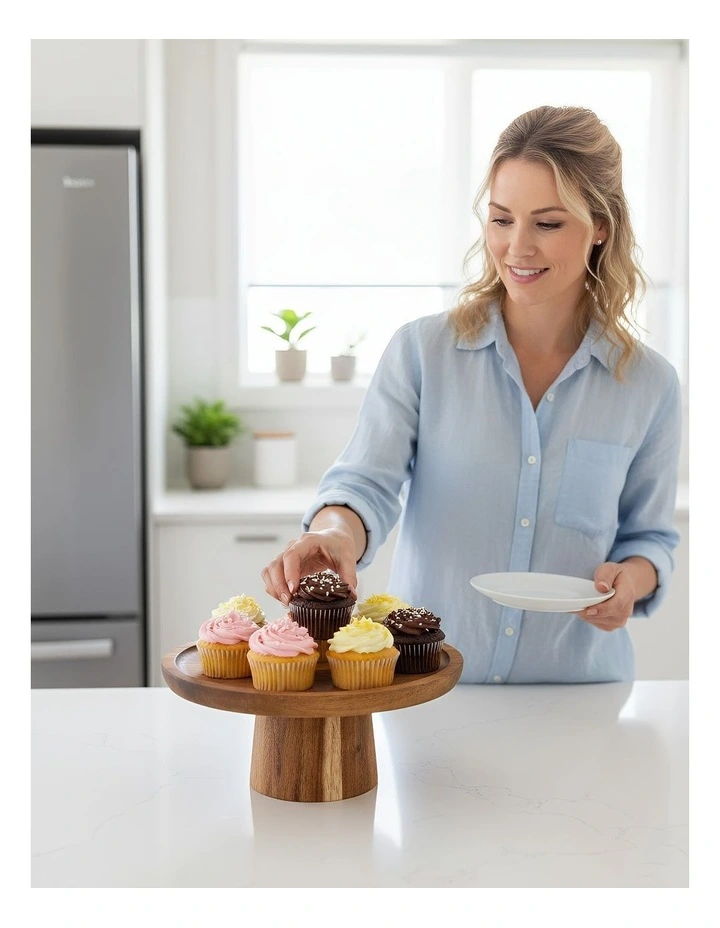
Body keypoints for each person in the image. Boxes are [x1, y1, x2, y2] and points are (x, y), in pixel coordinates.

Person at [261, 105, 682, 685]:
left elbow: (651, 538)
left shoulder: (649, 385)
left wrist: (630, 583)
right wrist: (332, 536)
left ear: (602, 225)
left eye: (549, 223)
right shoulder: (422, 352)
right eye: (501, 219)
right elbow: (365, 484)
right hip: (429, 687)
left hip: (579, 694)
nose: (517, 248)